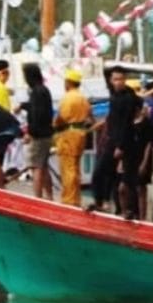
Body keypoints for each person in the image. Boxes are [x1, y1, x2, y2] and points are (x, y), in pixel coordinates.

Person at [88, 65, 139, 212]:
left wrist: (120, 146)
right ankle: (101, 201)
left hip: (123, 141)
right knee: (101, 173)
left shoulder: (127, 97)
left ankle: (128, 209)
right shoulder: (113, 93)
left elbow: (126, 123)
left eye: (122, 79)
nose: (119, 82)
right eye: (116, 79)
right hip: (112, 139)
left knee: (124, 179)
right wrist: (113, 66)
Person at [53, 69, 91, 206]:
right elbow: (89, 117)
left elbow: (61, 118)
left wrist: (54, 125)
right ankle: (76, 198)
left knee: (68, 168)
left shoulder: (67, 98)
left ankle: (69, 200)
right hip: (81, 134)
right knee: (75, 168)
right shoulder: (83, 98)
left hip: (69, 134)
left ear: (68, 82)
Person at [16, 63, 54, 200]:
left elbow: (37, 114)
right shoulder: (44, 90)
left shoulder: (36, 92)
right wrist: (23, 105)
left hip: (37, 135)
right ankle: (49, 196)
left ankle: (38, 198)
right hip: (48, 133)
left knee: (36, 167)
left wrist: (29, 133)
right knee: (44, 166)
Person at [123, 97, 153, 220]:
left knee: (141, 188)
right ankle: (127, 211)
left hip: (141, 157)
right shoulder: (128, 123)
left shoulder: (147, 124)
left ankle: (142, 217)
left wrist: (144, 162)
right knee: (125, 187)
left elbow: (149, 144)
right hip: (129, 158)